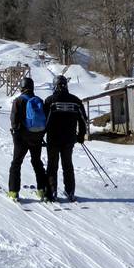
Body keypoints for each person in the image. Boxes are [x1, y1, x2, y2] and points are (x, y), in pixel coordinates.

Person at [43, 75, 88, 203]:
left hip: (53, 138)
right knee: (67, 165)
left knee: (52, 165)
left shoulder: (50, 100)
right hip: (69, 139)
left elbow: (44, 121)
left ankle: (52, 192)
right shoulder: (75, 101)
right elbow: (83, 120)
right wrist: (81, 136)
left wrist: (41, 136)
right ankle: (70, 191)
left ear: (55, 86)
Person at [7, 76, 47, 201]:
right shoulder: (39, 101)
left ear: (22, 87)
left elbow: (14, 121)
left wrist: (16, 133)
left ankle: (13, 192)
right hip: (37, 137)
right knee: (37, 162)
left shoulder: (18, 101)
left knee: (16, 163)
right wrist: (41, 134)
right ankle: (42, 190)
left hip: (21, 138)